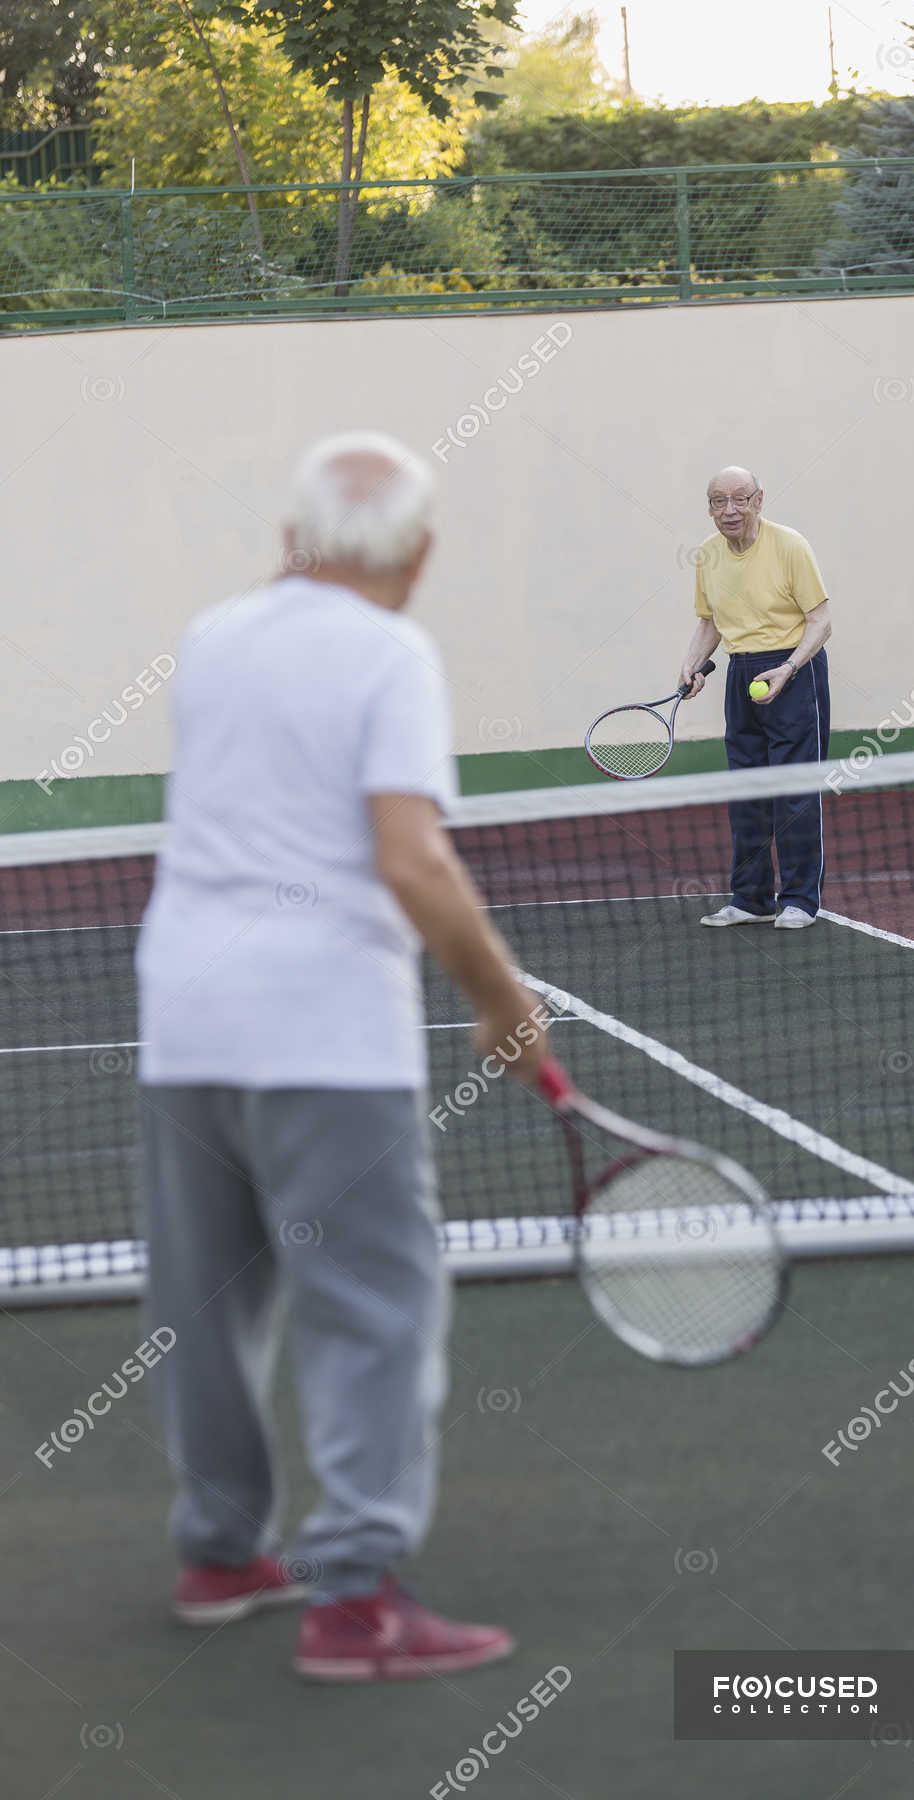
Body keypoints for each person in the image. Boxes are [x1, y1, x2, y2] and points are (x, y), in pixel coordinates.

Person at [136, 431, 546, 1682]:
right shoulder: (392, 654)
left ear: (286, 541)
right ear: (418, 558)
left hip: (185, 1015)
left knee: (208, 1302)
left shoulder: (211, 639)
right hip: (325, 1027)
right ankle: (355, 1598)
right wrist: (502, 997)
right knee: (371, 1308)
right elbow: (411, 858)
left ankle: (220, 1554)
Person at [677, 466, 832, 929]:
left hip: (793, 671)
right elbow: (709, 623)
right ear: (709, 508)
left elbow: (821, 621)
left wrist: (788, 668)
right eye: (718, 501)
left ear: (759, 500)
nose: (730, 510)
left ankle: (801, 900)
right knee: (744, 791)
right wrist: (690, 664)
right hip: (741, 673)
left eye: (740, 499)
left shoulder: (790, 546)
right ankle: (752, 899)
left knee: (794, 791)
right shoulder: (707, 556)